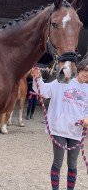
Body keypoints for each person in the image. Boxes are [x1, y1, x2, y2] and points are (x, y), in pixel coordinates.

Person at [31, 59, 88, 190]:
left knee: (73, 164)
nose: (86, 74)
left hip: (76, 130)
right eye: (85, 70)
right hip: (59, 129)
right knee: (58, 163)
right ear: (79, 70)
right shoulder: (62, 82)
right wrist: (38, 78)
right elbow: (44, 90)